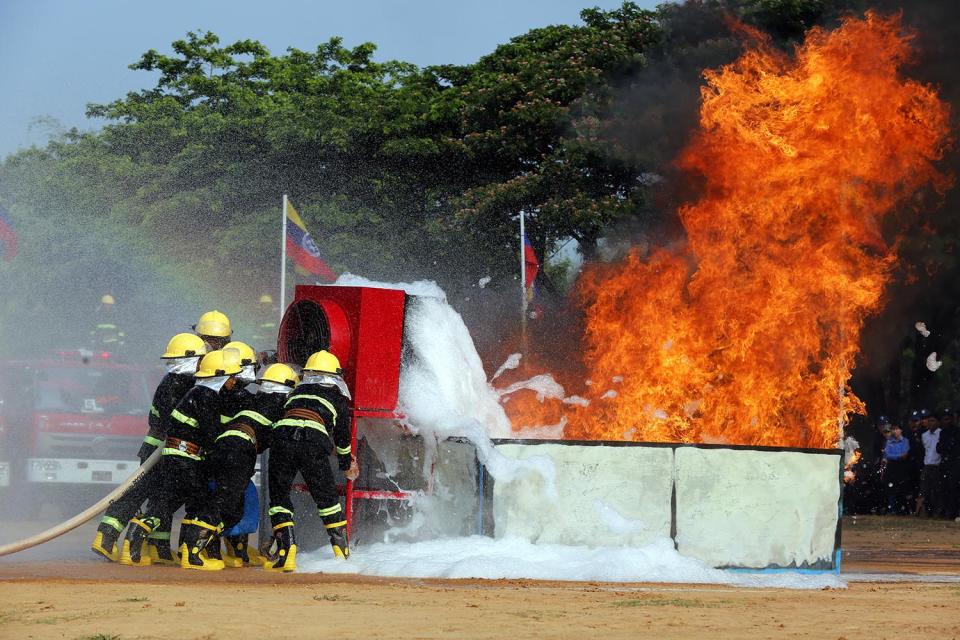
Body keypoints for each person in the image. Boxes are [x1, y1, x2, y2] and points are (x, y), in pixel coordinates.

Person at [120, 349, 242, 571]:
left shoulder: (195, 393)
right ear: (220, 376)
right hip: (186, 459)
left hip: (174, 457)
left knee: (167, 503)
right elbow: (211, 434)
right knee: (205, 503)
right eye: (232, 376)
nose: (235, 381)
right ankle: (192, 555)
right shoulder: (207, 397)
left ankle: (132, 545)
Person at [91, 333, 206, 562]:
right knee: (140, 491)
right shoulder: (177, 385)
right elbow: (174, 422)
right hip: (160, 448)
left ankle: (158, 545)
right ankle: (106, 536)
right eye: (200, 360)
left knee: (159, 495)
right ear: (191, 359)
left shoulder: (176, 381)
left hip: (159, 447)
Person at [264, 350, 358, 572]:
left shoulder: (296, 391)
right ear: (334, 376)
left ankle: (287, 551)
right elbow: (343, 440)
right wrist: (346, 466)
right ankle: (342, 554)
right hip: (313, 443)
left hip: (283, 438)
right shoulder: (338, 399)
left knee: (279, 497)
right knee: (327, 499)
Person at [210, 363, 298, 567]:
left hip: (226, 453)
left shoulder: (249, 398)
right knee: (227, 501)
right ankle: (204, 550)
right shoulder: (265, 402)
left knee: (241, 499)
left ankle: (237, 551)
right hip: (232, 455)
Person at [882, 423, 911, 514]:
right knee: (891, 488)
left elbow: (905, 454)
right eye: (893, 429)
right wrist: (898, 456)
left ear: (901, 430)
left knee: (902, 488)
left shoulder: (905, 441)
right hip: (891, 467)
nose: (895, 431)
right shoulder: (889, 442)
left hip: (902, 467)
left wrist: (895, 456)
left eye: (897, 429)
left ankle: (902, 509)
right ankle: (892, 509)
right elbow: (888, 454)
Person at [937, 408, 960, 519]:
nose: (946, 421)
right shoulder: (942, 432)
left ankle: (953, 512)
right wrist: (946, 447)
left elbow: (954, 448)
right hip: (945, 463)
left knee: (953, 487)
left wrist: (947, 447)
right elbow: (939, 448)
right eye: (944, 419)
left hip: (955, 463)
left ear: (952, 419)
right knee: (944, 487)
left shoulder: (957, 431)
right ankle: (946, 511)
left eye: (948, 419)